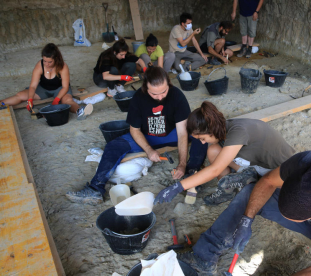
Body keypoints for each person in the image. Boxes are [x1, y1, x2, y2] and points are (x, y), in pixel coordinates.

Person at [167, 151, 311, 276]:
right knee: (252, 193)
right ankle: (204, 255)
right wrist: (246, 219)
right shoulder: (309, 162)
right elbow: (268, 181)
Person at [66, 67, 208, 205]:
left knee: (201, 135)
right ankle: (95, 188)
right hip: (147, 137)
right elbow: (135, 130)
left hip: (172, 135)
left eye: (163, 92)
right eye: (154, 94)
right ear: (146, 88)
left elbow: (182, 132)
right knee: (114, 145)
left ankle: (192, 173)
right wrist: (148, 150)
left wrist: (182, 164)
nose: (159, 97)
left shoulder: (176, 95)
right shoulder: (138, 98)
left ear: (168, 85)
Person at [153, 101, 295, 206]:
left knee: (269, 198)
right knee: (213, 150)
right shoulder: (223, 130)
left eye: (202, 138)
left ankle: (250, 182)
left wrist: (177, 187)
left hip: (280, 171)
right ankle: (228, 189)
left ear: (212, 129)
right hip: (255, 165)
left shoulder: (238, 131)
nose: (202, 142)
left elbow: (215, 170)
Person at [0, 43, 92, 120]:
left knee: (67, 100)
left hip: (60, 89)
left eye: (50, 62)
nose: (47, 64)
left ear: (56, 59)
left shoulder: (63, 66)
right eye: (45, 61)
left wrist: (56, 100)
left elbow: (65, 87)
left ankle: (80, 111)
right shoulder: (39, 65)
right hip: (43, 89)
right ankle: (1, 103)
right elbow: (32, 86)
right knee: (20, 95)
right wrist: (30, 99)